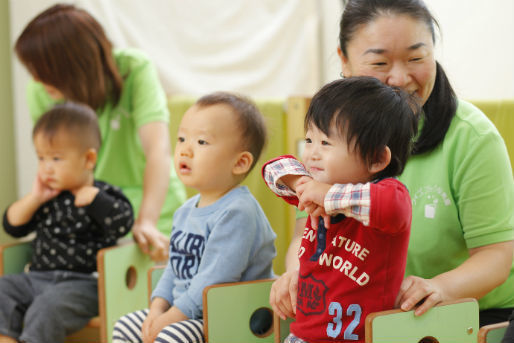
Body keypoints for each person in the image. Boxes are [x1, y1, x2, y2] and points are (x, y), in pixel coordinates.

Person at [270, 0, 514, 328]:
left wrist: (440, 287)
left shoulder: (471, 136)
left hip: (461, 317)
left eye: (416, 58)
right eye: (379, 61)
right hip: (358, 320)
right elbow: (306, 232)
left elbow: (496, 256)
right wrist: (298, 272)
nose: (399, 78)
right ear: (344, 60)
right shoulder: (330, 135)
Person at [14, 3, 186, 261]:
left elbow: (157, 150)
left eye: (42, 69)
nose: (37, 79)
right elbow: (52, 161)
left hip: (154, 207)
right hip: (91, 213)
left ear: (72, 65)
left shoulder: (133, 69)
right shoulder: (40, 91)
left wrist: (147, 221)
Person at [111, 92, 277, 343]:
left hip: (233, 316)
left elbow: (215, 279)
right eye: (181, 138)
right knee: (126, 326)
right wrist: (157, 308)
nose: (185, 150)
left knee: (170, 336)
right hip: (189, 314)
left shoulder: (238, 212)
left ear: (240, 162)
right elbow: (173, 269)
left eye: (201, 142)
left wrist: (169, 318)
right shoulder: (186, 210)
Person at [263, 77, 419, 343]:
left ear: (377, 159)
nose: (312, 153)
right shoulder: (314, 190)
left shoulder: (388, 197)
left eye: (326, 143)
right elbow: (272, 169)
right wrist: (302, 184)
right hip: (302, 336)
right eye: (309, 140)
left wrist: (328, 195)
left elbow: (392, 206)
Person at [0, 103, 134, 343]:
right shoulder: (47, 198)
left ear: (89, 159)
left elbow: (123, 223)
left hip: (83, 286)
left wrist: (97, 200)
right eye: (41, 158)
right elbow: (12, 226)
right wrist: (34, 199)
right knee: (3, 288)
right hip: (36, 279)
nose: (46, 167)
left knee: (47, 307)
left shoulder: (102, 194)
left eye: (56, 158)